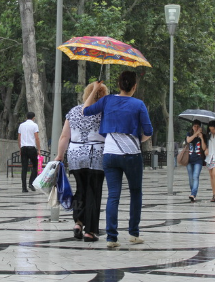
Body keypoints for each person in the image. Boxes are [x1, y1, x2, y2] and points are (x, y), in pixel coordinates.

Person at [83, 71, 153, 248]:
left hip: (110, 154)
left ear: (119, 84)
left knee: (113, 195)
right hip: (131, 155)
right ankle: (134, 234)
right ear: (134, 86)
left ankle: (111, 237)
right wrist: (137, 140)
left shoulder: (107, 100)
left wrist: (95, 89)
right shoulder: (139, 104)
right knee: (135, 192)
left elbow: (86, 110)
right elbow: (148, 131)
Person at [55, 82, 109, 242]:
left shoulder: (73, 111)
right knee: (94, 192)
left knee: (80, 190)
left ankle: (78, 222)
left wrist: (60, 155)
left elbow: (64, 136)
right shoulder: (104, 111)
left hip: (76, 154)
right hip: (96, 155)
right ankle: (90, 231)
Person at [18, 112, 41, 193]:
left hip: (24, 148)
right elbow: (36, 138)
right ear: (33, 118)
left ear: (26, 117)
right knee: (35, 166)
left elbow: (19, 138)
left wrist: (20, 148)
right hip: (31, 148)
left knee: (24, 168)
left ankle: (24, 188)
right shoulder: (34, 125)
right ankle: (31, 183)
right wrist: (38, 149)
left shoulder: (21, 125)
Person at [185, 120, 206, 202]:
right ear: (192, 127)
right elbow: (188, 140)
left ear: (200, 127)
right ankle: (192, 193)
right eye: (194, 126)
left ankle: (193, 194)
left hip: (198, 159)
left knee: (195, 176)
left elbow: (204, 148)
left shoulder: (203, 136)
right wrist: (195, 134)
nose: (196, 128)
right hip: (189, 159)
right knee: (190, 178)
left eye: (198, 126)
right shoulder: (189, 134)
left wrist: (201, 137)